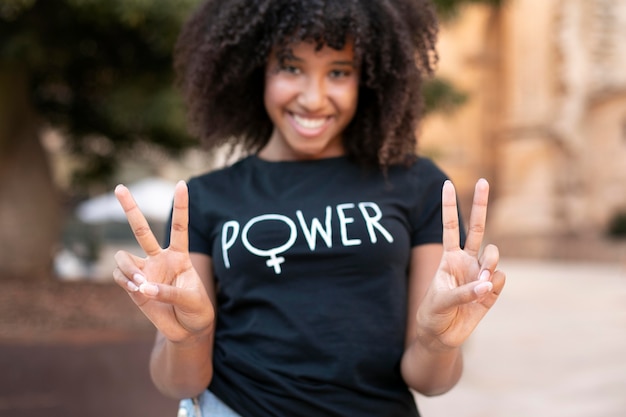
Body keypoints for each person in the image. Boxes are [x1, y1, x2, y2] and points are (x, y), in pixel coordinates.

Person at [112, 0, 506, 416]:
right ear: (255, 71)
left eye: (339, 72)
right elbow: (181, 381)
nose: (314, 98)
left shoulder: (419, 186)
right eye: (290, 67)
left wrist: (436, 341)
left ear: (368, 79)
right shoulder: (205, 198)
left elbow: (429, 381)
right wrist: (188, 336)